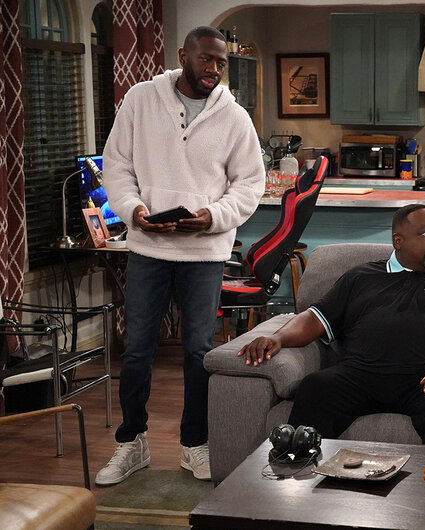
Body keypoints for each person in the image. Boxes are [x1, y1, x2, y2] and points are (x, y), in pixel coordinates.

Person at [97, 26, 265, 485]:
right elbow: (117, 166)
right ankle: (132, 443)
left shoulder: (236, 118)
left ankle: (195, 444)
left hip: (205, 252)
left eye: (220, 62)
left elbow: (250, 185)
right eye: (206, 59)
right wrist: (133, 211)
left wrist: (211, 217)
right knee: (136, 350)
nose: (213, 69)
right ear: (183, 55)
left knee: (198, 351)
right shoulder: (140, 99)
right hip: (148, 247)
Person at [238, 204, 425, 444]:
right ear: (398, 241)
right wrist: (278, 338)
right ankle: (300, 470)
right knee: (316, 387)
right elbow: (316, 317)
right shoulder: (361, 277)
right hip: (359, 375)